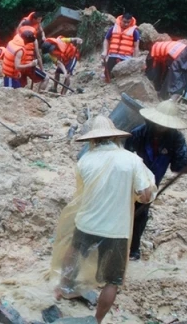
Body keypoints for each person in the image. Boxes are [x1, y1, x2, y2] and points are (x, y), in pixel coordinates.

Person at [51, 116, 156, 324]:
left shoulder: (85, 161)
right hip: (115, 230)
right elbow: (145, 194)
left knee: (75, 252)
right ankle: (97, 319)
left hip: (86, 222)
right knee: (113, 280)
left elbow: (85, 191)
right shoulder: (131, 160)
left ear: (93, 140)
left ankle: (62, 288)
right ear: (115, 137)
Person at [124, 100, 187, 260]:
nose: (160, 127)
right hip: (129, 182)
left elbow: (178, 165)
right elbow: (124, 159)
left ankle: (133, 249)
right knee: (124, 212)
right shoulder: (138, 133)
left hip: (152, 184)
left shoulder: (176, 139)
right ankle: (117, 244)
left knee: (140, 216)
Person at [101, 13, 140, 82]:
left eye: (128, 22)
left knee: (123, 78)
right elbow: (106, 39)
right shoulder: (113, 28)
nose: (126, 24)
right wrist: (105, 51)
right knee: (106, 76)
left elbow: (136, 47)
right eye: (124, 22)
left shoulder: (134, 31)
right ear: (121, 20)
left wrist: (135, 60)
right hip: (113, 55)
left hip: (126, 57)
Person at [14, 21, 48, 92]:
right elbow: (38, 56)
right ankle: (39, 95)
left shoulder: (18, 37)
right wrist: (42, 70)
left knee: (20, 87)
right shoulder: (34, 39)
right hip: (29, 68)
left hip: (20, 67)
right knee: (46, 78)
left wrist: (20, 23)